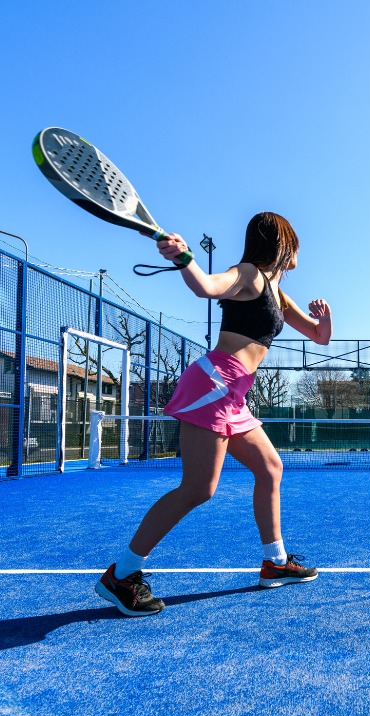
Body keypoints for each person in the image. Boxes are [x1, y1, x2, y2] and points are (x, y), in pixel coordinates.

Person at [95, 212, 332, 616]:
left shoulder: (276, 292)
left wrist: (325, 317)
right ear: (280, 243)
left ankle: (275, 562)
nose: (298, 252)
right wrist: (184, 256)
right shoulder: (248, 274)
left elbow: (319, 336)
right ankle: (122, 575)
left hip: (233, 393)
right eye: (294, 243)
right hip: (213, 385)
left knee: (270, 468)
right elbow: (205, 286)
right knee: (198, 489)